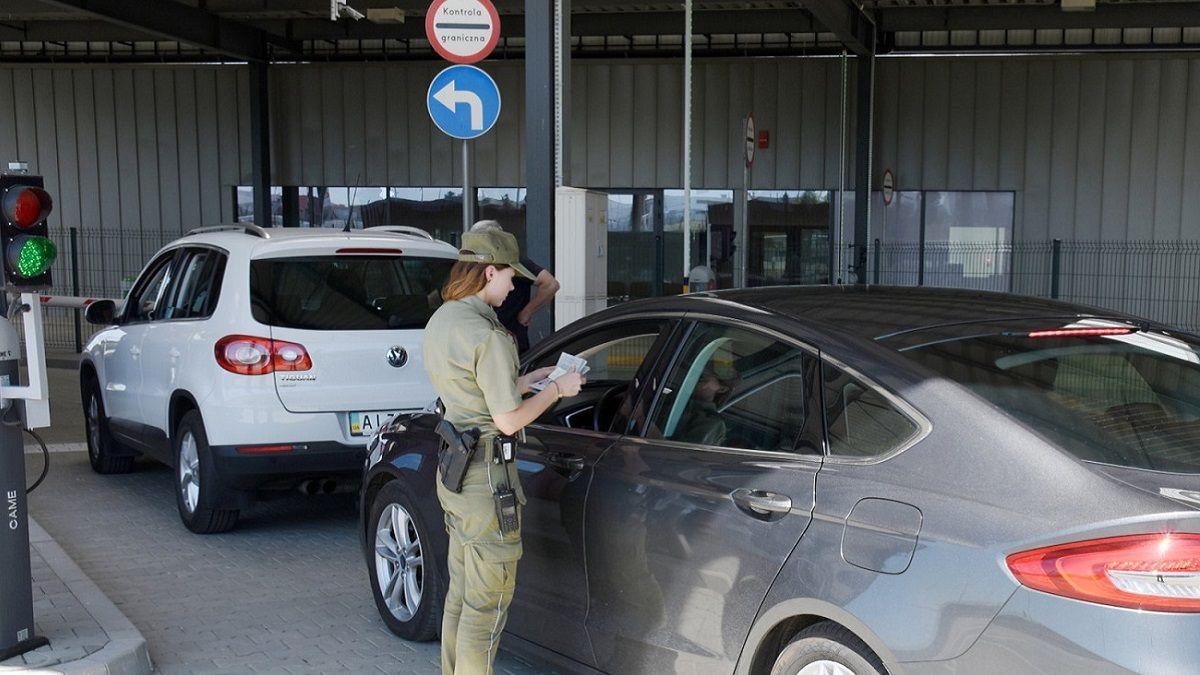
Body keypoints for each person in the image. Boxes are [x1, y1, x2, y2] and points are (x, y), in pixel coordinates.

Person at [422, 228, 585, 675]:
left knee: (461, 597)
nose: (514, 287)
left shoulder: (445, 320)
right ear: (488, 271)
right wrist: (556, 390)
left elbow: (478, 393)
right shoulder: (489, 336)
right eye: (509, 277)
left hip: (455, 473)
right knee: (486, 611)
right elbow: (508, 421)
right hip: (486, 484)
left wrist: (529, 381)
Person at [468, 220, 560, 352]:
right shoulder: (472, 265)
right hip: (484, 341)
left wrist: (527, 312)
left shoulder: (516, 262)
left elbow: (551, 284)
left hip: (512, 339)